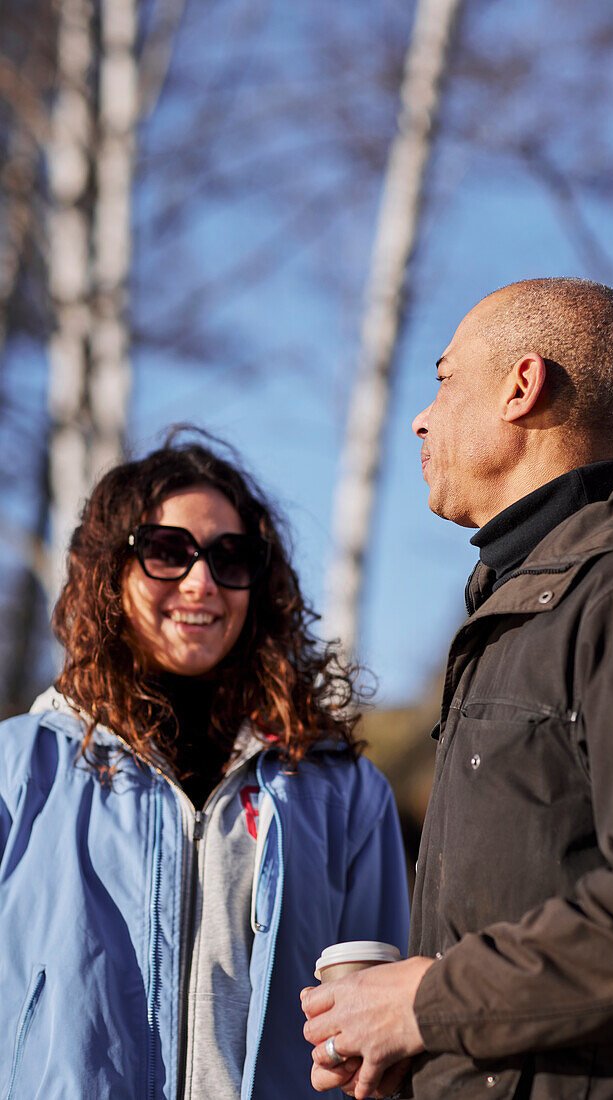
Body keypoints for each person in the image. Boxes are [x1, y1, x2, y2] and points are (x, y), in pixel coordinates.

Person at [302, 277, 613, 1099]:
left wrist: (424, 1005)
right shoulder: (521, 606)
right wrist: (420, 1044)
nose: (423, 416)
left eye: (444, 377)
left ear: (521, 387)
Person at [0, 430, 409, 1100]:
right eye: (167, 551)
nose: (202, 582)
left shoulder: (342, 793)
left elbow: (382, 1044)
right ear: (110, 572)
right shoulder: (18, 770)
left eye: (231, 557)